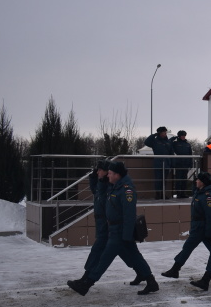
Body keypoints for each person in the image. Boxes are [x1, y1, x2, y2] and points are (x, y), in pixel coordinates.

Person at [67, 161, 159, 296]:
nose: (108, 175)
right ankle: (151, 282)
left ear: (117, 175)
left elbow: (129, 215)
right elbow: (99, 192)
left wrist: (127, 235)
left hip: (120, 231)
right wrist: (96, 178)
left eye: (110, 173)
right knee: (135, 256)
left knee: (105, 258)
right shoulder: (115, 186)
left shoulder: (127, 190)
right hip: (114, 228)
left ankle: (87, 284)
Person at [160, 172, 211, 280]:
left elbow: (210, 215)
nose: (196, 181)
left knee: (187, 247)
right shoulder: (200, 192)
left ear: (203, 182)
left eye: (198, 180)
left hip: (201, 227)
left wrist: (210, 231)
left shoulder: (207, 196)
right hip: (198, 226)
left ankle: (175, 269)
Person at [81, 160, 110, 276]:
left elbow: (103, 198)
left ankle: (87, 276)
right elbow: (95, 190)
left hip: (106, 223)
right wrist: (93, 177)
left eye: (100, 170)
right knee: (127, 252)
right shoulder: (101, 183)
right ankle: (145, 274)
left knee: (97, 249)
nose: (97, 172)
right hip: (100, 221)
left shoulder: (108, 185)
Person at [144, 126, 175, 199]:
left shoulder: (168, 142)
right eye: (164, 132)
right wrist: (154, 135)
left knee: (165, 180)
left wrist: (172, 164)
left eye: (165, 132)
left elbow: (171, 153)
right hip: (158, 163)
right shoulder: (155, 141)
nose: (165, 133)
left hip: (167, 163)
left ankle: (163, 194)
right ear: (160, 133)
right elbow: (146, 142)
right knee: (158, 179)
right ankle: (158, 194)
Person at [171, 130, 193, 198]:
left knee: (184, 180)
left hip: (185, 164)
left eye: (184, 135)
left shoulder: (187, 144)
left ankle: (183, 193)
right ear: (179, 136)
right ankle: (178, 193)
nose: (183, 137)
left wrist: (190, 164)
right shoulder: (175, 143)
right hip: (178, 164)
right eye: (182, 135)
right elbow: (168, 142)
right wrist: (174, 137)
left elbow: (190, 155)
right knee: (178, 180)